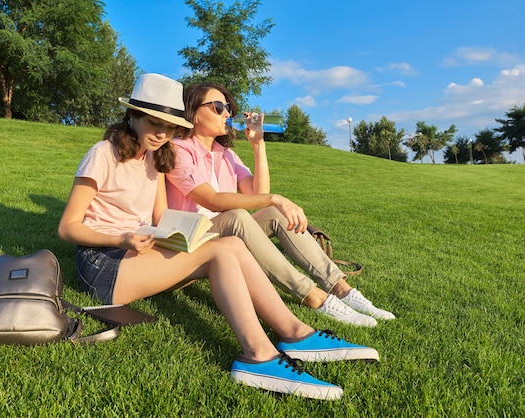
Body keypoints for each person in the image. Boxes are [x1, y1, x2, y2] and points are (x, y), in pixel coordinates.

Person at [58, 73, 380, 401]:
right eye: (154, 122)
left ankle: (296, 333)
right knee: (220, 252)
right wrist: (122, 239)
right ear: (132, 116)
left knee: (231, 244)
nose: (161, 133)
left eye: (168, 126)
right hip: (102, 262)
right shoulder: (103, 153)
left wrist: (181, 237)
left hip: (138, 254)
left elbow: (160, 220)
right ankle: (258, 356)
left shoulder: (155, 158)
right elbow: (67, 227)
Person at [165, 81, 395, 327]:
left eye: (228, 108)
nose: (226, 114)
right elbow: (211, 200)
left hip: (222, 231)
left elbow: (258, 193)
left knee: (273, 213)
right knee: (239, 216)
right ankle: (314, 297)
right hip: (189, 238)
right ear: (193, 112)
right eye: (218, 107)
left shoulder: (226, 154)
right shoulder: (178, 150)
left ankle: (342, 289)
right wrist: (275, 198)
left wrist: (258, 145)